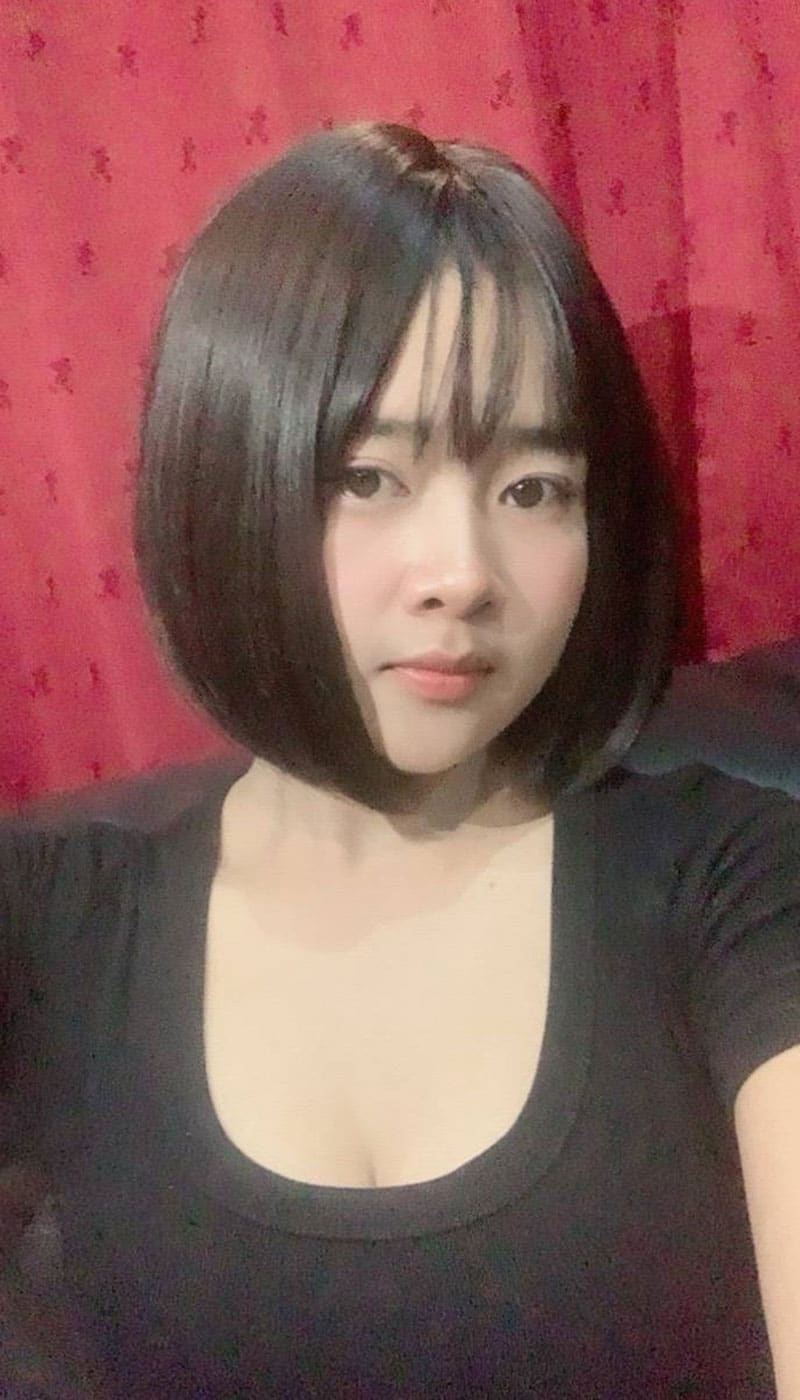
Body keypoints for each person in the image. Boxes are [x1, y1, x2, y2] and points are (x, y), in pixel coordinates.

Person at [0, 120, 798, 1398]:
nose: (462, 573)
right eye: (370, 475)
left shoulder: (737, 876)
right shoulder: (50, 919)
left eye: (531, 488)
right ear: (227, 481)